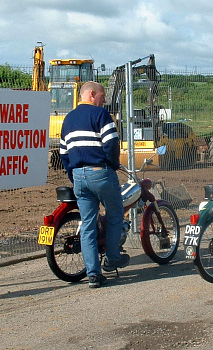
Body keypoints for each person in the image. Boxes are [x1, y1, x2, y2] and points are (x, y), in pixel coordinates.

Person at [60, 81, 130, 288]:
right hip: (100, 172)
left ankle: (93, 275)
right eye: (102, 95)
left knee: (88, 225)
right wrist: (113, 165)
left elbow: (64, 153)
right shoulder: (101, 116)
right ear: (91, 94)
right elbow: (111, 144)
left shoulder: (68, 119)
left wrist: (74, 176)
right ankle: (113, 257)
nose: (104, 100)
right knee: (116, 213)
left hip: (79, 176)